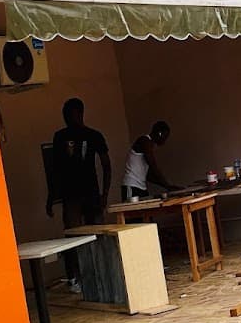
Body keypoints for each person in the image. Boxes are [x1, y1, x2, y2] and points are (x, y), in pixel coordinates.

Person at [46, 97, 111, 290]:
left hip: (91, 192)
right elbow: (55, 170)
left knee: (97, 234)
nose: (69, 118)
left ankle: (102, 273)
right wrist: (51, 198)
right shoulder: (59, 137)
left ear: (80, 113)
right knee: (72, 236)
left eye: (72, 114)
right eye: (66, 115)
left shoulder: (94, 135)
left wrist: (104, 194)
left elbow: (106, 165)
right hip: (70, 195)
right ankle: (74, 277)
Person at [122, 121, 179, 200]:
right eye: (165, 137)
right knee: (132, 211)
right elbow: (153, 166)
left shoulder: (149, 144)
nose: (164, 141)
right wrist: (168, 185)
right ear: (160, 134)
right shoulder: (144, 141)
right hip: (132, 186)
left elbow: (149, 176)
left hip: (141, 187)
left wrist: (167, 186)